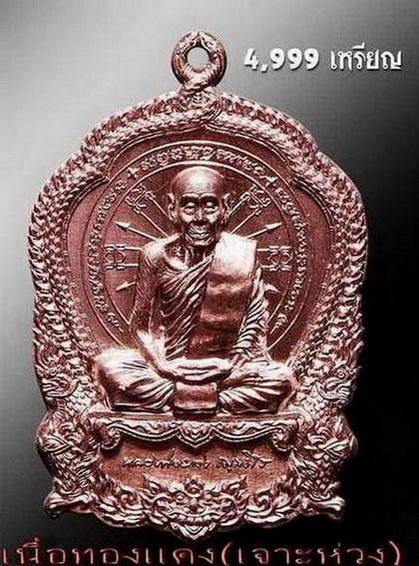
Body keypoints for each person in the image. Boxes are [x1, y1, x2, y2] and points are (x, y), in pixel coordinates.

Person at [94, 166, 295, 414]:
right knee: (110, 368)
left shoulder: (242, 255)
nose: (200, 218)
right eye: (189, 207)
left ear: (225, 208)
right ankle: (211, 400)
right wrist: (163, 367)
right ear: (172, 209)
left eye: (210, 207)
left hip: (226, 370)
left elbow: (254, 326)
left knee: (281, 379)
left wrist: (230, 367)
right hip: (170, 367)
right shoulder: (155, 256)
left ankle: (185, 399)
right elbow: (139, 328)